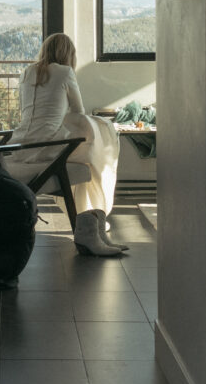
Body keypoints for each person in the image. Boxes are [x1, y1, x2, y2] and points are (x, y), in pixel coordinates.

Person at [7, 33, 125, 257]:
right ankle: (92, 218)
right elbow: (78, 111)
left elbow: (27, 112)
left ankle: (90, 219)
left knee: (90, 146)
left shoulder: (26, 72)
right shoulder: (65, 72)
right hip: (49, 148)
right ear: (68, 54)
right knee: (98, 140)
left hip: (19, 146)